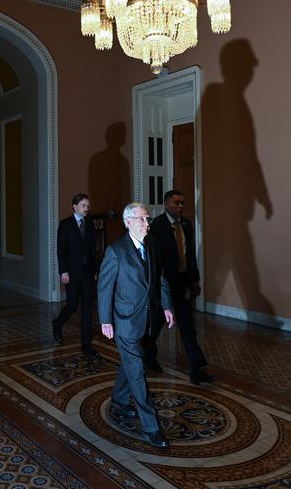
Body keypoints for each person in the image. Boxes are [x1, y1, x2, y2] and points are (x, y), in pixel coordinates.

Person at [98, 202, 175, 448]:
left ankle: (119, 399)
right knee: (138, 373)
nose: (147, 223)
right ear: (128, 221)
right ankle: (151, 427)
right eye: (142, 219)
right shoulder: (115, 251)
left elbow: (159, 280)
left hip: (148, 320)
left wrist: (166, 306)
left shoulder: (151, 245)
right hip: (124, 322)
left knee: (132, 365)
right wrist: (105, 320)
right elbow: (104, 289)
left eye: (147, 219)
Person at [143, 190, 213, 384]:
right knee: (155, 326)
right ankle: (147, 358)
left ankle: (197, 370)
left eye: (182, 203)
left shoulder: (186, 225)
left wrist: (195, 280)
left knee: (188, 327)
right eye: (176, 203)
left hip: (183, 284)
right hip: (162, 286)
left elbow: (190, 256)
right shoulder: (156, 226)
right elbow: (152, 259)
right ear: (166, 204)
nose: (180, 206)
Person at [52, 193, 99, 356]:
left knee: (87, 308)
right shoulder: (65, 225)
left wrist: (95, 271)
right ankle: (57, 324)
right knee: (72, 305)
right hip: (71, 272)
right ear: (74, 206)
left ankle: (87, 344)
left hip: (87, 272)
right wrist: (63, 271)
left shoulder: (90, 224)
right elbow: (61, 250)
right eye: (83, 206)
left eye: (87, 206)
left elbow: (93, 250)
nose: (87, 208)